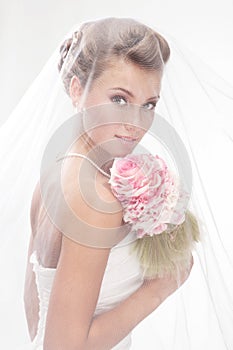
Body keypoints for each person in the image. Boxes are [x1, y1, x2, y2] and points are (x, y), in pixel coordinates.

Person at [0, 17, 232, 350]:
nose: (135, 123)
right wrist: (159, 288)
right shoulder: (96, 200)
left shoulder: (52, 174)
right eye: (120, 99)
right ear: (77, 90)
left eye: (148, 105)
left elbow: (34, 307)